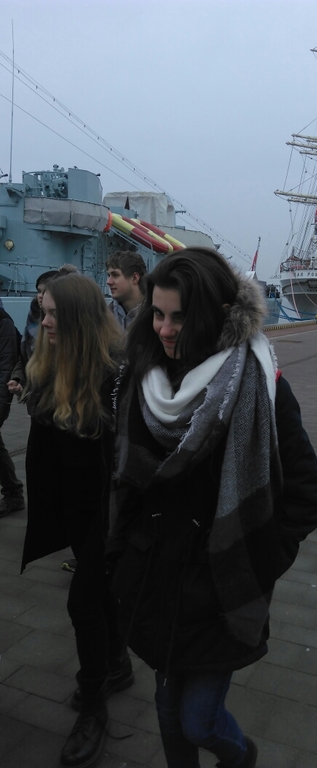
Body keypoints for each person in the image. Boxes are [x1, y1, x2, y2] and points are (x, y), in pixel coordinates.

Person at [107, 248, 317, 768]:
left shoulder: (261, 387)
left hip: (221, 582)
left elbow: (304, 495)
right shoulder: (143, 379)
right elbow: (124, 478)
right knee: (167, 708)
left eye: (179, 317)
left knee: (199, 719)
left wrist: (257, 559)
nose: (164, 330)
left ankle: (240, 757)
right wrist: (126, 550)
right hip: (157, 574)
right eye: (157, 314)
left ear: (215, 314)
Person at [17, 274, 133, 768]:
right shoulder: (47, 366)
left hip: (108, 510)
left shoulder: (114, 376)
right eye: (42, 312)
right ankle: (118, 663)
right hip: (73, 506)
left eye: (52, 314)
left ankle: (94, 707)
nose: (44, 322)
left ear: (79, 319)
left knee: (82, 602)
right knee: (101, 595)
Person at [0, 307, 25, 517]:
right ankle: (13, 493)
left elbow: (6, 365)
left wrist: (2, 403)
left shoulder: (3, 321)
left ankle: (13, 493)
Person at [106, 250, 146, 329]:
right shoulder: (104, 317)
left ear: (135, 278)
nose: (108, 282)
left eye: (115, 275)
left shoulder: (156, 316)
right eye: (109, 275)